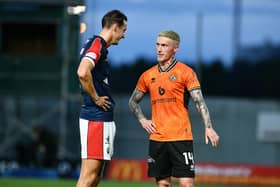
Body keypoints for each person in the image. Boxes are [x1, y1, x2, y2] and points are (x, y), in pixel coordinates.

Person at [128, 30, 219, 187]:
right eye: (157, 45)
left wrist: (208, 127)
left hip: (181, 137)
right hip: (157, 139)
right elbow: (132, 102)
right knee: (163, 184)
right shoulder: (148, 75)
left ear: (175, 48)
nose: (159, 49)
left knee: (186, 184)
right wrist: (143, 120)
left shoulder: (186, 72)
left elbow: (199, 102)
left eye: (164, 45)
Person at [76, 9, 127, 187]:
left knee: (94, 176)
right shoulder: (97, 44)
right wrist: (96, 98)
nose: (124, 35)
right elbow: (82, 72)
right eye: (123, 30)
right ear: (115, 27)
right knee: (90, 177)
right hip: (95, 117)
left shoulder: (97, 45)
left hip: (97, 117)